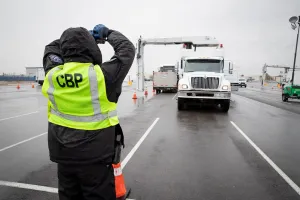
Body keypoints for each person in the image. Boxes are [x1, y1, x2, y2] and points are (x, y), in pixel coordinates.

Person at [42, 24, 135, 200]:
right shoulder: (103, 76)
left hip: (63, 155)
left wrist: (73, 39)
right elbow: (127, 49)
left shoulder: (52, 75)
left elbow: (51, 49)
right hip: (96, 156)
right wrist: (107, 34)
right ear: (91, 49)